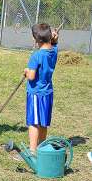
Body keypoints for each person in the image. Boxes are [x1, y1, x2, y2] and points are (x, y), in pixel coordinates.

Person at [24, 23, 58, 153]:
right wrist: (54, 39)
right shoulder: (54, 51)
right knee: (43, 122)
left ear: (35, 39)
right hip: (48, 92)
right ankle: (42, 148)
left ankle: (32, 151)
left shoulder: (36, 56)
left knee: (34, 122)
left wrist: (26, 71)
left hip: (36, 94)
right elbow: (54, 43)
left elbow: (31, 76)